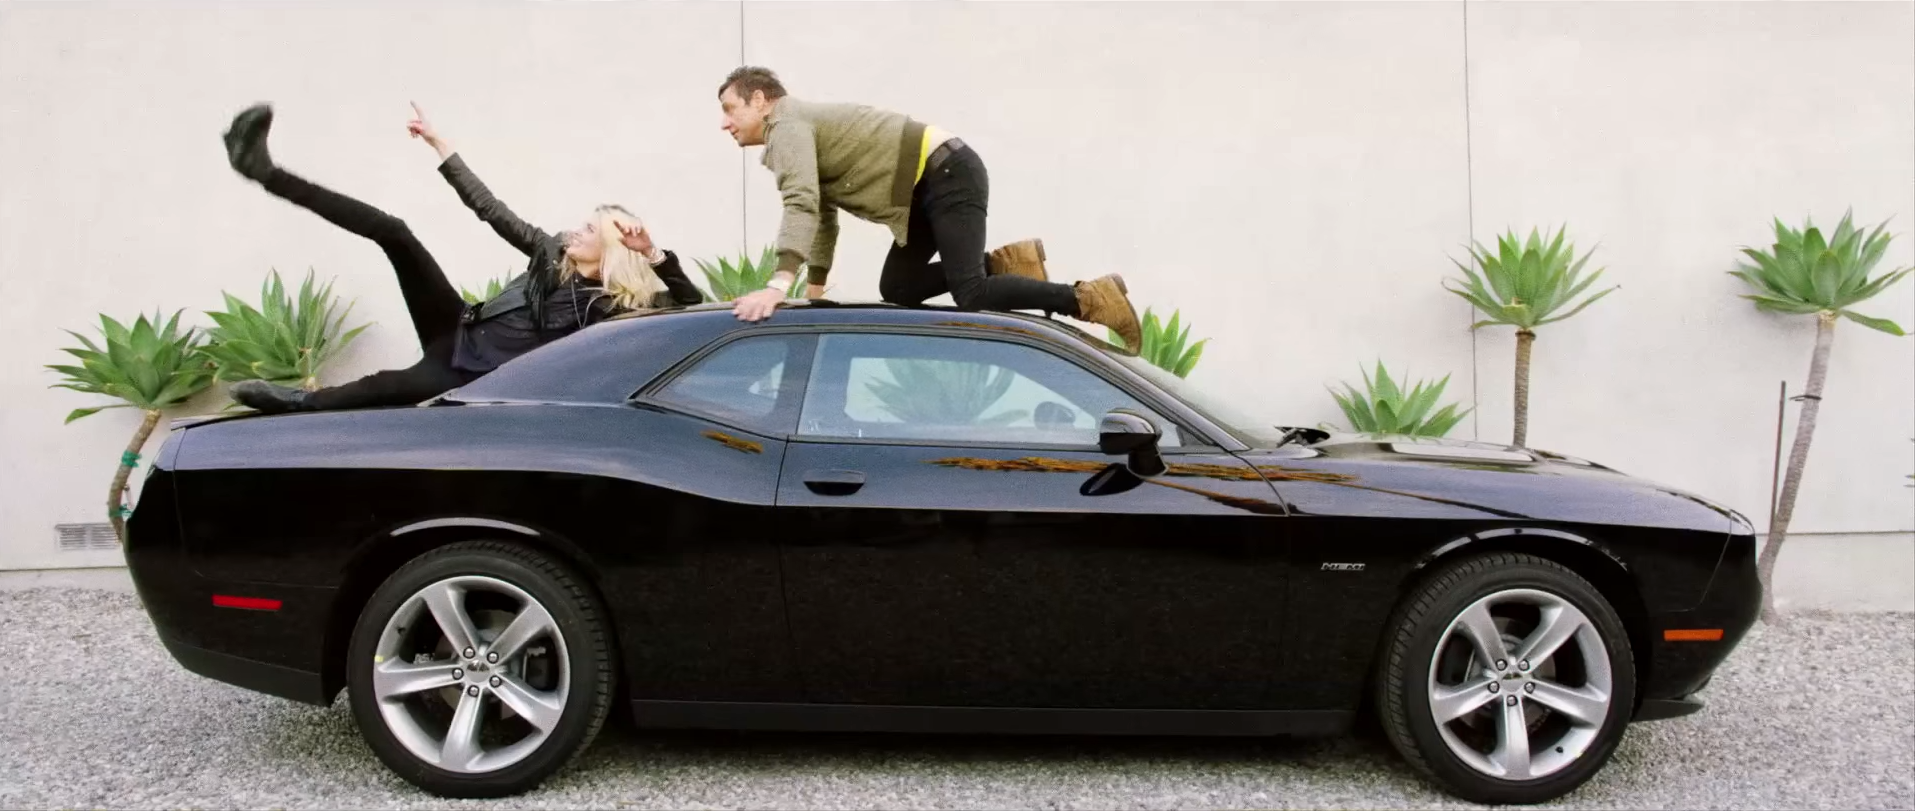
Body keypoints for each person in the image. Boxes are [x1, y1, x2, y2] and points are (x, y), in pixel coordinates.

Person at [216, 102, 705, 414]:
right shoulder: (550, 252)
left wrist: (653, 254)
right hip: (456, 325)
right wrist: (441, 146)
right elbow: (491, 209)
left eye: (589, 230)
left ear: (612, 250)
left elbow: (691, 305)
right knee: (395, 232)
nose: (576, 231)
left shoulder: (615, 309)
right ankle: (265, 171)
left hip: (467, 373)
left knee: (381, 386)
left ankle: (295, 401)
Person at [714, 67, 1144, 351]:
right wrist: (813, 294)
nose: (724, 123)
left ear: (760, 100)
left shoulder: (786, 125)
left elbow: (800, 203)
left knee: (970, 293)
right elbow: (822, 217)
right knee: (898, 288)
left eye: (730, 109)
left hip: (946, 172)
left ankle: (1087, 298)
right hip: (921, 191)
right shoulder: (795, 127)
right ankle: (1006, 263)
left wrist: (777, 285)